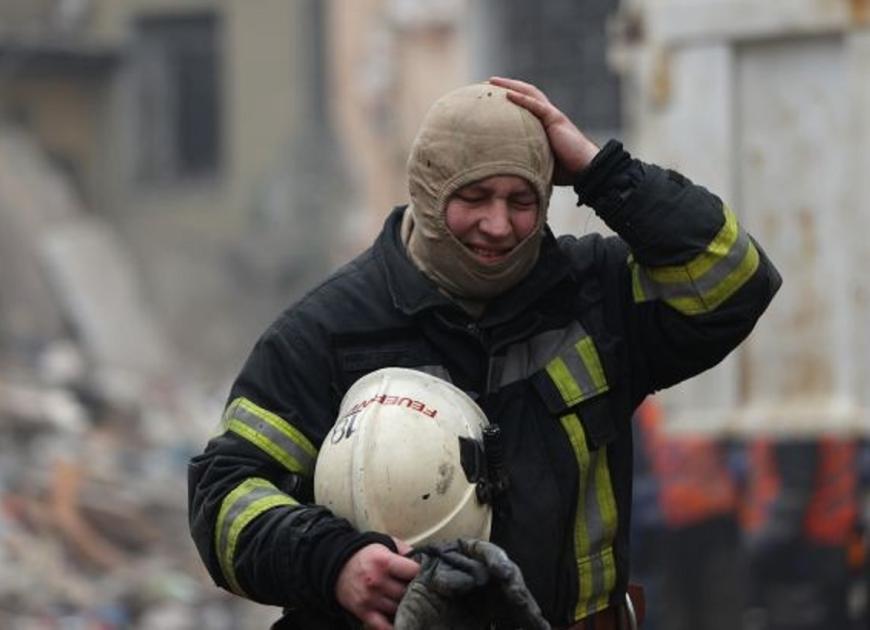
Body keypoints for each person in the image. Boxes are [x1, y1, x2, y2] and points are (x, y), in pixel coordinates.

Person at [187, 77, 782, 629]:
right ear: (427, 189)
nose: (498, 225)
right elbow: (226, 498)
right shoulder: (327, 332)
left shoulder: (595, 298)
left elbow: (733, 279)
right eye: (473, 196)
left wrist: (601, 171)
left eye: (521, 199)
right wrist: (333, 562)